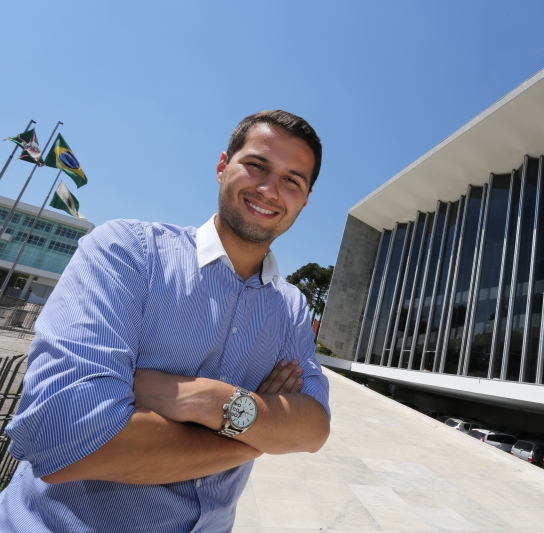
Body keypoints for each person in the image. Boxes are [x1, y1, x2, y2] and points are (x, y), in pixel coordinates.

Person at [0, 110, 331, 532]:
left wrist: (209, 401)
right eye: (257, 165)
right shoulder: (128, 253)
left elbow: (313, 428)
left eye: (292, 180)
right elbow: (66, 443)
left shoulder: (292, 310)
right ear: (221, 166)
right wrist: (257, 434)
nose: (270, 190)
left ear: (304, 200)